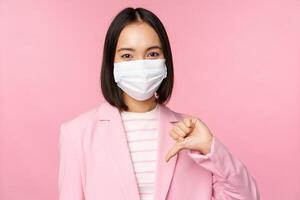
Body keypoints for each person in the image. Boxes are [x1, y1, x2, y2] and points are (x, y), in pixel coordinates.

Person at [58, 7, 260, 200]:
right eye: (127, 55)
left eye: (152, 54)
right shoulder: (77, 134)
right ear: (111, 64)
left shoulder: (191, 135)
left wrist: (211, 148)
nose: (141, 64)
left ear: (165, 62)